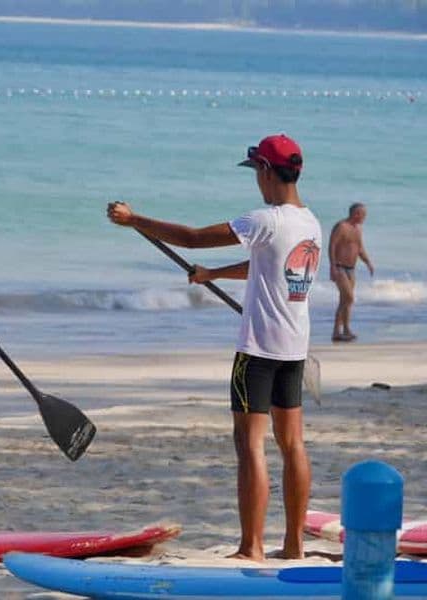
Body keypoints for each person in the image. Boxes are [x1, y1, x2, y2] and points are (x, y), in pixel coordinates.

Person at [107, 134, 321, 561]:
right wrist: (215, 275)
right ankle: (295, 545)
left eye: (256, 172)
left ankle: (252, 547)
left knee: (251, 445)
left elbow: (189, 237)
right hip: (294, 348)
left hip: (257, 350)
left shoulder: (266, 220)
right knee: (292, 443)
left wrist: (134, 220)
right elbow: (268, 265)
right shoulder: (309, 222)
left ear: (265, 170)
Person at [329, 203, 373, 342]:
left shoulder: (358, 229)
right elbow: (332, 245)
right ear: (356, 214)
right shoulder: (341, 226)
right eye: (363, 214)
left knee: (346, 301)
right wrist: (333, 266)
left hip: (351, 269)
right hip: (340, 267)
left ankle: (345, 330)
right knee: (349, 297)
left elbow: (360, 249)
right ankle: (336, 331)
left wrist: (368, 263)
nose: (365, 217)